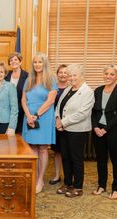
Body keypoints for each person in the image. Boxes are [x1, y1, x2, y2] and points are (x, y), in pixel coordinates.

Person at [55, 64, 94, 198]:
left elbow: (82, 113)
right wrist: (57, 119)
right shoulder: (68, 89)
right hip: (64, 129)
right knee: (65, 157)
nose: (71, 78)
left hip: (77, 130)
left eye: (74, 75)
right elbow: (59, 105)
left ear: (82, 76)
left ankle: (78, 186)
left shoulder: (88, 92)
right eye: (70, 75)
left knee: (76, 159)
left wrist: (63, 122)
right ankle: (67, 184)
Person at [21, 52, 57, 194]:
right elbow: (23, 100)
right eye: (35, 62)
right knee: (32, 148)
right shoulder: (29, 79)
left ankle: (40, 180)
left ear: (44, 64)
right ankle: (34, 177)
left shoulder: (51, 79)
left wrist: (36, 115)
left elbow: (50, 101)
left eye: (40, 62)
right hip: (29, 116)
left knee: (42, 148)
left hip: (43, 116)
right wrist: (28, 115)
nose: (37, 65)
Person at [91, 65, 117, 200]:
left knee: (116, 160)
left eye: (112, 74)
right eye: (106, 73)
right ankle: (101, 185)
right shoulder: (98, 90)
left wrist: (105, 129)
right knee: (101, 160)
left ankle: (116, 188)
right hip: (98, 130)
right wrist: (95, 127)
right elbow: (93, 111)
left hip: (114, 129)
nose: (108, 76)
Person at [49, 64, 69, 185]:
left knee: (67, 152)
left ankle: (68, 177)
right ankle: (57, 175)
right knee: (57, 152)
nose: (62, 74)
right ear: (57, 74)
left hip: (69, 124)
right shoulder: (52, 88)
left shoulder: (72, 88)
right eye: (60, 72)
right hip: (54, 124)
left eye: (65, 72)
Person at [4, 52, 29, 133]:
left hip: (21, 110)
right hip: (7, 110)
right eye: (11, 60)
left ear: (20, 62)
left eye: (16, 59)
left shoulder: (27, 76)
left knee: (19, 136)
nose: (13, 61)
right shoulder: (6, 75)